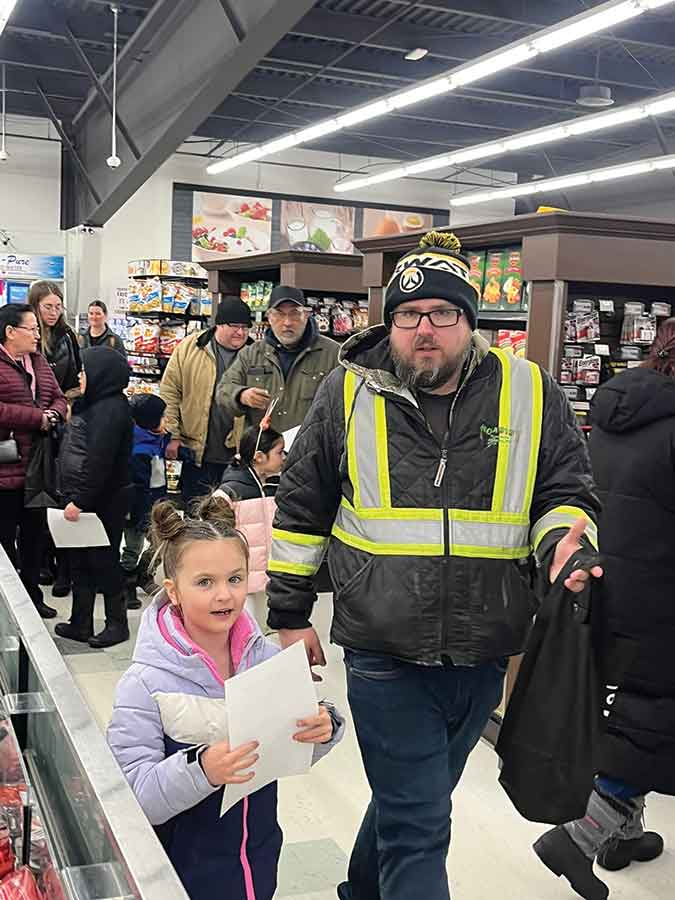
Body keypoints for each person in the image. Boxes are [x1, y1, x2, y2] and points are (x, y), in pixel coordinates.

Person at [266, 230, 602, 900]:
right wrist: (289, 614)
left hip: (485, 645)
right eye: (408, 314)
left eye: (442, 313)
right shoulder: (345, 392)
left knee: (411, 801)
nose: (425, 329)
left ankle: (361, 890)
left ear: (469, 321)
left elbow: (564, 491)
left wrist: (563, 542)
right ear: (389, 322)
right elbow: (301, 507)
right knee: (420, 822)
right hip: (382, 644)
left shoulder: (529, 391)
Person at [106, 494, 344, 900]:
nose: (224, 595)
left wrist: (324, 726)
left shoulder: (268, 660)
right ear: (173, 591)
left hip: (257, 861)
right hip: (183, 876)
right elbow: (134, 800)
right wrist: (202, 769)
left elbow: (290, 749)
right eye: (205, 582)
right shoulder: (145, 684)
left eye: (235, 579)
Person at [533, 318, 675, 900]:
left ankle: (623, 837)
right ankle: (581, 836)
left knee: (635, 713)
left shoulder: (618, 412)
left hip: (612, 589)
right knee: (654, 725)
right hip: (664, 600)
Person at [54, 347, 133, 648]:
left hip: (105, 499)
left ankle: (117, 624)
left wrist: (81, 500)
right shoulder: (95, 404)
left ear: (102, 374)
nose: (80, 376)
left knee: (103, 561)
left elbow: (100, 461)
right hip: (88, 496)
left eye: (85, 370)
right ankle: (80, 622)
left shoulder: (111, 410)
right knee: (80, 561)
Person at [0, 304, 66, 619]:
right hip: (6, 469)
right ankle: (8, 605)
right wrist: (36, 418)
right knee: (5, 541)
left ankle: (32, 598)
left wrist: (53, 414)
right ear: (10, 331)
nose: (38, 335)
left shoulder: (39, 362)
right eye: (32, 328)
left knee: (34, 539)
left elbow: (60, 398)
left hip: (39, 467)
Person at [160, 296, 252, 506]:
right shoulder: (190, 347)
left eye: (245, 327)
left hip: (237, 458)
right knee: (194, 511)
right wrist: (172, 435)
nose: (241, 332)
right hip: (195, 452)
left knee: (231, 515)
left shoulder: (255, 354)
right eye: (235, 326)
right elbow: (170, 392)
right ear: (219, 324)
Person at [216, 285, 340, 434]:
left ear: (306, 315)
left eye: (294, 314)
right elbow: (223, 391)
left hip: (310, 447)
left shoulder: (333, 354)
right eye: (279, 314)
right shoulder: (250, 354)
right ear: (269, 317)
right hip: (263, 447)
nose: (287, 322)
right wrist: (242, 395)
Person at [28, 279, 81, 598]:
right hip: (29, 425)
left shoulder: (67, 337)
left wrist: (66, 403)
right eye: (48, 306)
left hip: (61, 421)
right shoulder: (25, 337)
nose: (53, 312)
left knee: (59, 490)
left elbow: (75, 378)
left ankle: (60, 562)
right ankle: (39, 561)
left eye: (58, 306)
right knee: (35, 494)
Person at [121, 393, 194, 610]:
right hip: (138, 507)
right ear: (150, 420)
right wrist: (138, 513)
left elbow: (167, 451)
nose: (166, 420)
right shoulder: (138, 450)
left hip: (156, 502)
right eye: (162, 417)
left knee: (161, 542)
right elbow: (138, 486)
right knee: (133, 547)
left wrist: (185, 453)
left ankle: (143, 573)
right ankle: (127, 583)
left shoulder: (157, 439)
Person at [219, 425, 285, 628]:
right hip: (243, 581)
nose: (284, 457)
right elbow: (214, 532)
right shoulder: (229, 492)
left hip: (273, 578)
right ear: (259, 457)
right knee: (247, 630)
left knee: (270, 631)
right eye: (280, 452)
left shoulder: (278, 486)